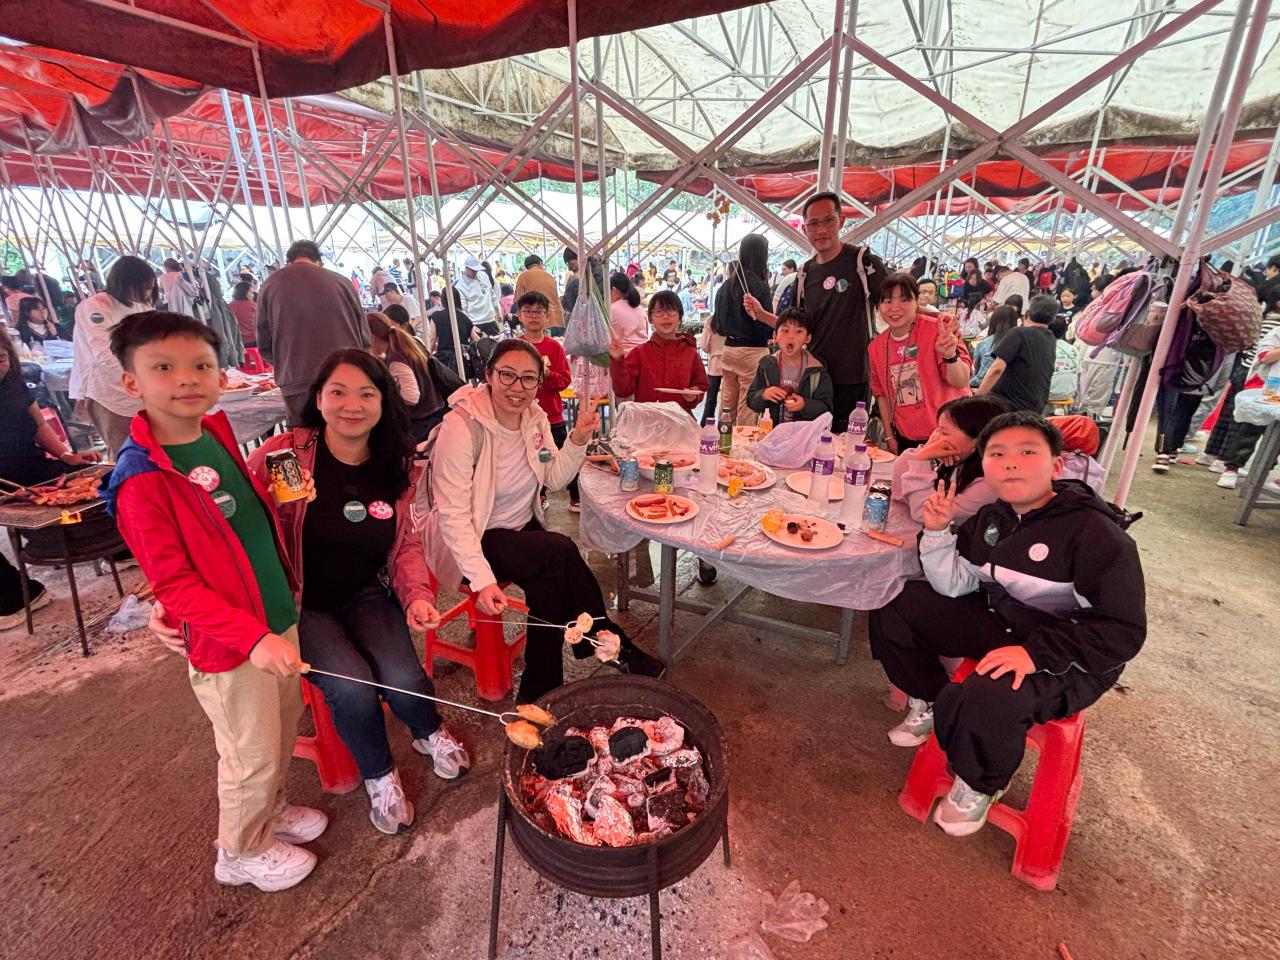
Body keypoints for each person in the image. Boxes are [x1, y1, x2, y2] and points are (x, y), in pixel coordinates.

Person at [101, 311, 324, 892]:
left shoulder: (214, 434)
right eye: (164, 368)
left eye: (200, 365)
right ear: (131, 383)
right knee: (249, 752)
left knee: (279, 730)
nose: (186, 379)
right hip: (231, 644)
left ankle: (270, 812)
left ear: (221, 376)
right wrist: (251, 637)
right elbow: (173, 585)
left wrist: (279, 498)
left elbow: (234, 521)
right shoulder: (141, 477)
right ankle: (241, 851)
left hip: (275, 615)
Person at [870, 412, 1145, 835]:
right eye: (997, 453)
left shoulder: (1095, 534)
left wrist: (1035, 655)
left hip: (1074, 655)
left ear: (1056, 465)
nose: (1011, 462)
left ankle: (979, 782)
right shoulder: (993, 519)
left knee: (990, 692)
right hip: (1006, 622)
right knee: (895, 603)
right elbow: (955, 585)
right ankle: (933, 700)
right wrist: (938, 533)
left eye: (1027, 451)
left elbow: (1122, 630)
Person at [250, 350, 468, 832]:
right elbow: (242, 525)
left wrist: (416, 595)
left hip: (366, 592)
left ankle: (428, 730)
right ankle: (379, 774)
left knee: (404, 676)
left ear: (383, 402)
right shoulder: (287, 457)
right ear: (319, 399)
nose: (352, 405)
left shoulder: (394, 463)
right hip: (303, 604)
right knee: (352, 687)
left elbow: (405, 541)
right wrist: (273, 502)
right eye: (338, 392)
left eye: (366, 394)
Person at [421, 339, 664, 703]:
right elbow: (453, 515)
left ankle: (539, 696)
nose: (517, 388)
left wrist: (578, 438)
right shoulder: (462, 427)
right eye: (507, 375)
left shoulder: (534, 418)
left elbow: (553, 477)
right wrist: (482, 580)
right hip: (474, 538)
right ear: (488, 375)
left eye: (528, 378)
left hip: (522, 532)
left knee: (549, 591)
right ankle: (607, 640)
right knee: (560, 549)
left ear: (539, 382)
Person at [743, 192, 885, 432]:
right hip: (811, 378)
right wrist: (763, 314)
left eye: (829, 221)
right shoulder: (805, 273)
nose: (821, 230)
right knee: (808, 439)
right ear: (804, 229)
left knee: (844, 442)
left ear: (841, 221)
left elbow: (897, 306)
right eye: (813, 224)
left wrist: (935, 320)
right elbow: (796, 327)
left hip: (851, 376)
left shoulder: (862, 262)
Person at [257, 240, 370, 426]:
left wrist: (286, 364)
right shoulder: (342, 282)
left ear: (289, 261)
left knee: (304, 438)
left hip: (296, 381)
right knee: (346, 433)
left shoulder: (270, 285)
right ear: (319, 262)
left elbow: (264, 341)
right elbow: (364, 336)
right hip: (344, 376)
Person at [868, 273, 972, 453]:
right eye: (887, 301)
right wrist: (889, 435)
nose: (895, 308)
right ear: (878, 307)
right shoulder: (876, 347)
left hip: (951, 435)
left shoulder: (939, 331)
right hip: (907, 437)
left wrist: (950, 356)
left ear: (916, 302)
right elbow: (881, 395)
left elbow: (961, 381)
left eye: (904, 300)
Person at [72, 255, 158, 457]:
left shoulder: (143, 305)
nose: (147, 293)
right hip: (110, 394)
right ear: (123, 284)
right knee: (126, 454)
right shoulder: (95, 307)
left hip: (147, 392)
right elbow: (104, 355)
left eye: (150, 288)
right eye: (142, 288)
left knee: (156, 451)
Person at [891, 394, 1009, 524]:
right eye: (937, 429)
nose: (935, 437)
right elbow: (898, 492)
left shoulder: (988, 486)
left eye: (944, 432)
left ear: (978, 442)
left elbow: (926, 516)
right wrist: (923, 451)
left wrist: (921, 461)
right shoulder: (960, 462)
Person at [516, 292, 578, 510]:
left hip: (553, 416)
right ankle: (539, 495)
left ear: (547, 316)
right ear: (519, 315)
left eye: (539, 312)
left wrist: (548, 374)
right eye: (528, 311)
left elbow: (564, 381)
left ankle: (576, 495)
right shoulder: (515, 347)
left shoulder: (554, 348)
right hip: (524, 417)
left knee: (564, 455)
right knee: (530, 458)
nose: (533, 316)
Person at [608, 290, 708, 414]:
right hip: (647, 420)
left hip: (680, 420)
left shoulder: (690, 353)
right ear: (650, 318)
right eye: (659, 312)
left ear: (680, 317)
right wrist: (617, 361)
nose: (665, 316)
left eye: (671, 311)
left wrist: (694, 395)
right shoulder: (640, 353)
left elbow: (701, 384)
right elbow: (623, 390)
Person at [366, 312, 460, 443]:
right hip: (437, 412)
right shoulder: (410, 343)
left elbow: (411, 397)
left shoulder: (396, 359)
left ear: (371, 337)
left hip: (422, 424)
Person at [714, 235, 775, 425]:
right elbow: (764, 326)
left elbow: (717, 323)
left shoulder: (726, 285)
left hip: (728, 349)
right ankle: (743, 442)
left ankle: (722, 439)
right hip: (752, 351)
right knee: (748, 404)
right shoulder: (759, 286)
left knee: (726, 403)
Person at [745, 308, 832, 424]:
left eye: (798, 331)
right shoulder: (767, 365)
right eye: (785, 331)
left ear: (808, 338)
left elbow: (826, 408)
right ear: (775, 336)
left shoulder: (817, 370)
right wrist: (764, 394)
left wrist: (804, 405)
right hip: (772, 430)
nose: (791, 336)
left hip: (804, 432)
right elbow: (751, 401)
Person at [976, 294, 1057, 413]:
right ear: (1052, 319)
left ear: (1027, 314)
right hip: (1037, 407)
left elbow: (996, 369)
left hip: (1008, 405)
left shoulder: (1019, 333)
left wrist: (977, 398)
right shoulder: (1051, 338)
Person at [969, 305, 1018, 389]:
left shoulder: (984, 344)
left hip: (986, 388)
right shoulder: (1020, 342)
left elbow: (978, 373)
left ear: (993, 321)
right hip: (1013, 389)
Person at [514, 255, 564, 335]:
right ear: (540, 263)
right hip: (557, 318)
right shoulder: (549, 276)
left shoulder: (523, 276)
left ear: (526, 266)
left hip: (538, 320)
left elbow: (518, 300)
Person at [1047, 317, 1083, 412]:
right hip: (1068, 394)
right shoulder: (1073, 349)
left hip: (1047, 394)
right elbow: (1078, 374)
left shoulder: (1042, 347)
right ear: (1065, 330)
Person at [609, 272, 649, 356]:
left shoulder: (612, 309)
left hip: (625, 358)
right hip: (644, 355)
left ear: (614, 291)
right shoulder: (640, 309)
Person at [457, 256, 499, 335]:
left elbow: (492, 294)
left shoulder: (483, 275)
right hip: (475, 323)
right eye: (473, 270)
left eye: (477, 270)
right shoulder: (460, 286)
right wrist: (470, 326)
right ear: (466, 268)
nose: (475, 272)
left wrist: (498, 311)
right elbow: (463, 309)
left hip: (490, 319)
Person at [699, 317, 726, 426]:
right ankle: (725, 425)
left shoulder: (711, 320)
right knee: (728, 398)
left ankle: (706, 425)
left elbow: (704, 346)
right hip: (731, 362)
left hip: (715, 363)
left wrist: (713, 350)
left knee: (711, 398)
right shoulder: (733, 317)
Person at [228, 281, 257, 348]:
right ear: (244, 293)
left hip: (237, 342)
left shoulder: (229, 307)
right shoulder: (253, 306)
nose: (253, 295)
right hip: (254, 340)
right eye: (251, 292)